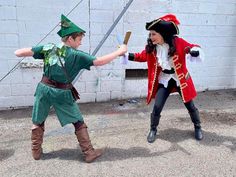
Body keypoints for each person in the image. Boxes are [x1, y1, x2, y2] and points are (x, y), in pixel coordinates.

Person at [14, 14, 127, 162]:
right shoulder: (76, 55)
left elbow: (18, 53)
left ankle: (36, 152)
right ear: (70, 39)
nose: (80, 43)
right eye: (79, 39)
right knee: (78, 121)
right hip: (62, 93)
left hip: (43, 89)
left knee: (38, 120)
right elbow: (99, 61)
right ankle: (89, 153)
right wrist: (120, 51)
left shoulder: (48, 48)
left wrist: (39, 50)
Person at [127, 14, 204, 143]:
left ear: (162, 34)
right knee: (157, 106)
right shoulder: (153, 48)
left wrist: (193, 51)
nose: (151, 37)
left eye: (153, 34)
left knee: (189, 104)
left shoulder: (178, 42)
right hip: (165, 79)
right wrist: (126, 55)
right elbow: (141, 56)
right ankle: (153, 129)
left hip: (179, 79)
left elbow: (190, 47)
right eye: (150, 34)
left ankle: (198, 127)